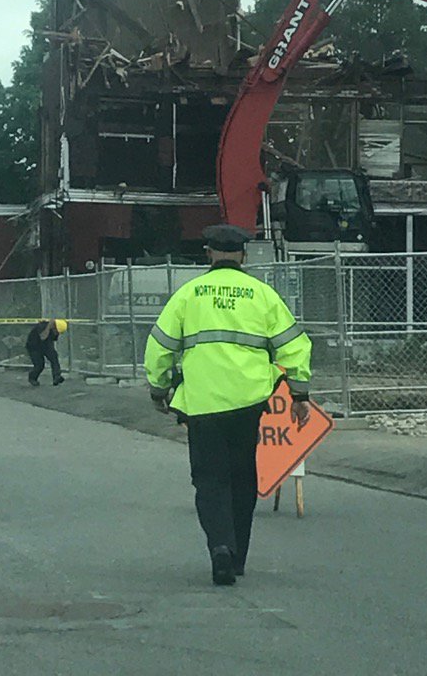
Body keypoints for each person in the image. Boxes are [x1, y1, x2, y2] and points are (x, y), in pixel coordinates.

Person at [144, 224, 312, 586]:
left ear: (208, 253)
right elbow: (295, 345)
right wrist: (299, 395)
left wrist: (158, 390)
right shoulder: (262, 295)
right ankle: (237, 556)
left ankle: (219, 547)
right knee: (242, 477)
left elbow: (159, 346)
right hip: (248, 402)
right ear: (244, 256)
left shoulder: (189, 295)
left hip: (202, 404)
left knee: (209, 479)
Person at [26, 318, 67, 386]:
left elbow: (52, 340)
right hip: (34, 346)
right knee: (39, 365)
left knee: (54, 357)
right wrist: (48, 327)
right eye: (56, 331)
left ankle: (56, 377)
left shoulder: (55, 330)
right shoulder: (42, 326)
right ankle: (32, 378)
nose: (56, 333)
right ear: (54, 326)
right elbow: (43, 337)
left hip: (45, 345)